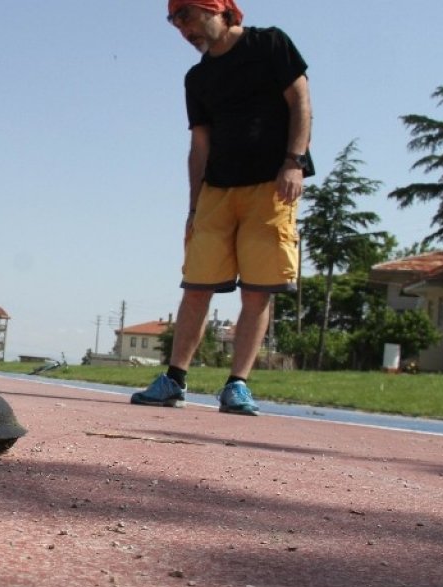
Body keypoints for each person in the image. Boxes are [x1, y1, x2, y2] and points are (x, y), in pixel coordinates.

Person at [130, 0, 312, 416]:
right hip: (217, 190)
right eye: (175, 23)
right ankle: (173, 379)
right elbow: (199, 145)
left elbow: (300, 100)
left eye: (188, 17)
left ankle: (237, 385)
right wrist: (194, 206)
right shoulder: (197, 78)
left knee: (258, 291)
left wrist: (295, 162)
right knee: (196, 286)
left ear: (218, 9)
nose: (184, 30)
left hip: (272, 184)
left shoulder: (270, 44)